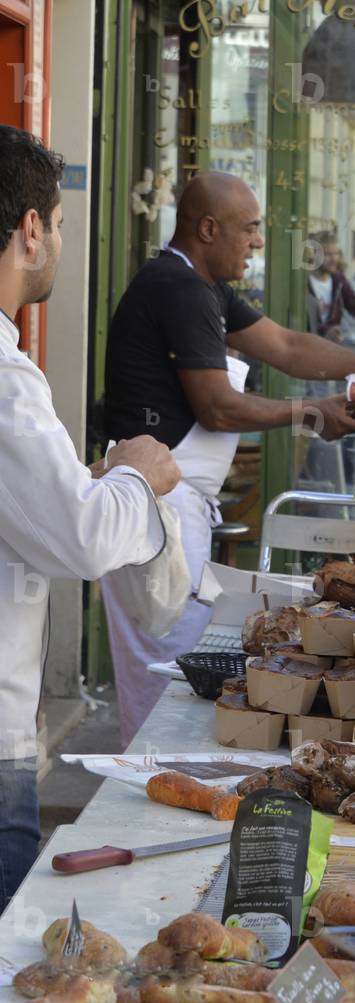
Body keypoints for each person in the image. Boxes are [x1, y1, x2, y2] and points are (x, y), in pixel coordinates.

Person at [103, 172, 355, 745]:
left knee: (176, 664)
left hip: (175, 510)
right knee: (164, 673)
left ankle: (159, 784)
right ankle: (147, 798)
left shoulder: (206, 284)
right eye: (250, 229)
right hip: (151, 511)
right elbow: (218, 408)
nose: (259, 242)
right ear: (208, 228)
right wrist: (310, 413)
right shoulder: (180, 288)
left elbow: (290, 348)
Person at [0, 126, 180, 909]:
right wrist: (139, 477)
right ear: (32, 230)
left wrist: (95, 480)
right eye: (62, 223)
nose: (62, 242)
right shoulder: (5, 383)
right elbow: (81, 538)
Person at [306, 230, 355, 342]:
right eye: (327, 254)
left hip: (331, 346)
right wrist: (326, 331)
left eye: (336, 253)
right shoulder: (304, 282)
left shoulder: (338, 280)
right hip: (307, 344)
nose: (334, 259)